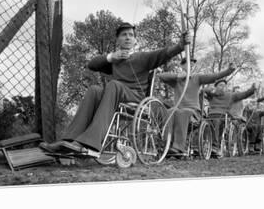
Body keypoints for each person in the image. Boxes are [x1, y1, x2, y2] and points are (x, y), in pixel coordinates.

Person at [39, 22, 191, 156]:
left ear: (135, 40)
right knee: (94, 89)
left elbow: (165, 53)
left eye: (131, 35)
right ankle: (69, 141)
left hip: (136, 99)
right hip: (115, 96)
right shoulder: (115, 59)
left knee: (113, 85)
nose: (127, 37)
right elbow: (92, 64)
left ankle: (90, 143)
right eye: (123, 35)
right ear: (117, 39)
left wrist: (180, 45)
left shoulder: (143, 57)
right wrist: (111, 57)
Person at [159, 60, 235, 156]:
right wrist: (177, 76)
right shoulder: (176, 80)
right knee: (170, 111)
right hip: (178, 109)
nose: (190, 65)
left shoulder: (197, 78)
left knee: (183, 112)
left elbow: (214, 76)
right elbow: (161, 76)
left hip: (194, 112)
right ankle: (166, 144)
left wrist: (229, 70)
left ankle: (179, 147)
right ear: (182, 66)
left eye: (192, 64)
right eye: (187, 63)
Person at [204, 80, 256, 157]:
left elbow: (243, 94)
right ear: (216, 87)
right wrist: (211, 90)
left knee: (216, 122)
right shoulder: (212, 95)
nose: (223, 87)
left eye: (224, 86)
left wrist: (252, 89)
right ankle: (203, 145)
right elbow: (204, 91)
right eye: (220, 85)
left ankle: (215, 147)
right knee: (201, 123)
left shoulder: (231, 95)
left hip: (222, 117)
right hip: (210, 116)